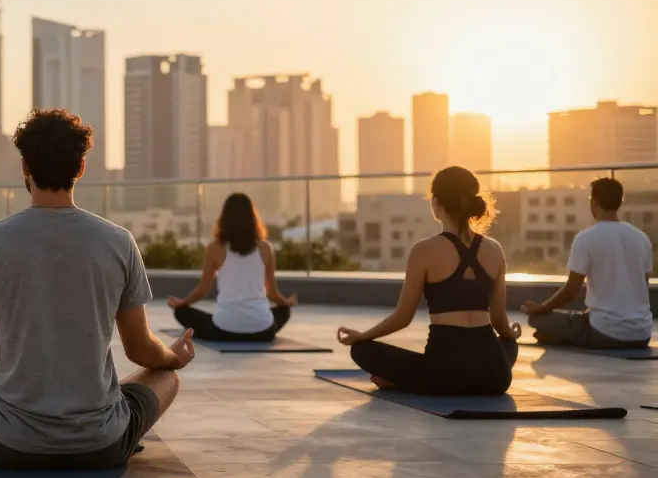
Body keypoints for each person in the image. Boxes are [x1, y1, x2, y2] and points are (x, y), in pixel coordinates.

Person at [0, 108, 195, 470]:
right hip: (103, 443)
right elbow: (142, 350)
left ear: (25, 166)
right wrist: (173, 357)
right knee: (166, 377)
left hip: (12, 442)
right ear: (81, 167)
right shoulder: (119, 242)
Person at [337, 166, 521, 395]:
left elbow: (402, 318)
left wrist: (362, 336)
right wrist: (511, 336)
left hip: (442, 376)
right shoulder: (495, 249)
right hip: (493, 378)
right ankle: (421, 380)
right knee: (508, 344)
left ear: (436, 204)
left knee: (361, 350)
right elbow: (499, 320)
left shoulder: (423, 251)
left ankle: (405, 382)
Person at [522, 178, 653, 349]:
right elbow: (642, 285)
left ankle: (565, 336)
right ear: (620, 202)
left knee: (538, 320)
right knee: (566, 323)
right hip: (641, 334)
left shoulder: (586, 238)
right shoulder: (641, 238)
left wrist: (541, 308)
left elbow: (571, 291)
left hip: (604, 331)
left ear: (594, 203)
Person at [167, 193, 297, 341]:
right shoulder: (266, 248)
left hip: (224, 331)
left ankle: (218, 327)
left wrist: (182, 303)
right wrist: (286, 303)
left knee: (181, 313)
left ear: (224, 218)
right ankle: (255, 325)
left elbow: (202, 290)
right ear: (252, 218)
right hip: (262, 332)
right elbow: (272, 293)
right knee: (284, 311)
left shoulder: (214, 248)